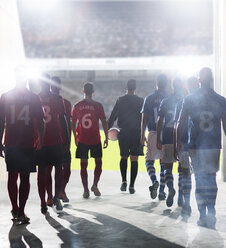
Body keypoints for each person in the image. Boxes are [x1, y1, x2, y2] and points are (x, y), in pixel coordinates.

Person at [177, 67, 226, 228]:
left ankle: (202, 215)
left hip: (196, 145)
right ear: (212, 80)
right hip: (213, 145)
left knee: (199, 179)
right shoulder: (221, 100)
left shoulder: (190, 99)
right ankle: (211, 212)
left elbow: (180, 123)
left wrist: (178, 143)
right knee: (211, 179)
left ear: (199, 81)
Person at [0, 68, 45, 224]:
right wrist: (41, 139)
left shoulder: (5, 96)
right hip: (27, 141)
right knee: (25, 178)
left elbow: (1, 122)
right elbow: (40, 120)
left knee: (12, 176)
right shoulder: (34, 98)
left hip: (11, 142)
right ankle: (21, 211)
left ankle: (15, 208)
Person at [37, 74, 69, 213]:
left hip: (42, 141)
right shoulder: (57, 99)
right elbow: (63, 120)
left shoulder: (35, 98)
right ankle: (55, 197)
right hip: (55, 140)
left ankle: (46, 200)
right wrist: (66, 140)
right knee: (57, 171)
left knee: (44, 172)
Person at [72, 82, 108, 198]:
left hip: (82, 139)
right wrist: (107, 137)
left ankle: (86, 190)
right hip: (95, 139)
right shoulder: (98, 105)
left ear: (83, 91)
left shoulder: (77, 106)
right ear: (93, 92)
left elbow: (72, 123)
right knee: (99, 163)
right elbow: (104, 121)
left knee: (83, 165)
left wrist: (74, 137)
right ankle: (95, 185)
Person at [108, 79, 143, 194]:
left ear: (126, 87)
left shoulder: (121, 100)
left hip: (123, 132)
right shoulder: (140, 101)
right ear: (135, 88)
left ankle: (124, 181)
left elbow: (112, 117)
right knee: (134, 158)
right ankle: (132, 186)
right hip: (136, 133)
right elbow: (144, 119)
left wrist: (107, 133)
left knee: (123, 157)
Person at [174, 76, 199, 216]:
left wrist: (176, 143)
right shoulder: (202, 102)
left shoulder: (182, 102)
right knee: (195, 174)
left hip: (184, 142)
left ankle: (185, 200)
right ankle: (186, 200)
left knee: (184, 173)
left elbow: (176, 125)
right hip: (197, 143)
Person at [156, 77, 184, 207]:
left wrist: (158, 138)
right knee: (182, 168)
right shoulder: (186, 100)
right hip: (182, 137)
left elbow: (159, 121)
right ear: (182, 85)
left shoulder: (166, 101)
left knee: (167, 166)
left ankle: (171, 188)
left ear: (172, 86)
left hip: (167, 136)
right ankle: (181, 196)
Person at [141, 74, 168, 200]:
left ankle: (154, 181)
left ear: (156, 83)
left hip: (153, 131)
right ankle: (162, 191)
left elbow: (144, 118)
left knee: (149, 161)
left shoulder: (149, 98)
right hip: (167, 132)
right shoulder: (169, 98)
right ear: (166, 84)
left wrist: (142, 135)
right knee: (163, 162)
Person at [49, 76, 72, 203]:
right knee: (51, 170)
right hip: (52, 140)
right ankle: (51, 196)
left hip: (63, 141)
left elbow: (68, 124)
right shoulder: (44, 101)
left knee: (66, 170)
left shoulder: (66, 103)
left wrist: (69, 140)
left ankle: (61, 191)